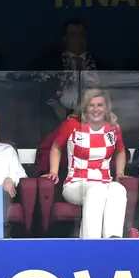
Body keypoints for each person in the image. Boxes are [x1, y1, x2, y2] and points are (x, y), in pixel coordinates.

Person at [42, 88, 128, 239]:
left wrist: (120, 173)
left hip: (105, 182)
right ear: (85, 108)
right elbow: (56, 146)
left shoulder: (113, 128)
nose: (96, 109)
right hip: (76, 183)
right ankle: (90, 243)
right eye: (91, 105)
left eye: (100, 105)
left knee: (118, 189)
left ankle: (113, 241)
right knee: (97, 191)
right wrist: (54, 171)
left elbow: (121, 151)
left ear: (106, 107)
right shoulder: (72, 125)